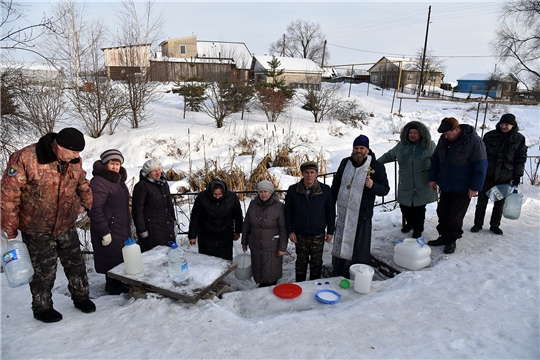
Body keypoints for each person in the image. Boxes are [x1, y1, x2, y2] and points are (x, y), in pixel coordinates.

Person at [1, 128, 95, 323]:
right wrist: (10, 228)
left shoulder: (73, 160)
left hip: (66, 223)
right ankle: (42, 307)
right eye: (74, 152)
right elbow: (8, 194)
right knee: (44, 271)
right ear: (59, 147)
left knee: (75, 264)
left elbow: (82, 183)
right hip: (36, 227)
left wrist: (86, 203)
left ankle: (81, 297)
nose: (77, 156)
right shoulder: (25, 158)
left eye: (79, 153)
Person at [331, 135, 390, 278]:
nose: (358, 151)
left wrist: (373, 186)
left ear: (367, 150)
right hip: (344, 213)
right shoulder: (345, 163)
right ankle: (338, 271)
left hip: (362, 214)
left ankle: (357, 275)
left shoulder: (376, 166)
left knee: (359, 248)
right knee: (342, 242)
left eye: (361, 148)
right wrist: (330, 203)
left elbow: (385, 189)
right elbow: (336, 185)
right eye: (356, 148)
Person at [428, 117, 487, 254]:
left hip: (463, 187)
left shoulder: (474, 142)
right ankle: (443, 236)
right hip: (446, 184)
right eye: (444, 134)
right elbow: (436, 160)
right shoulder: (444, 140)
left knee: (455, 216)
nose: (445, 136)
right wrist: (433, 178)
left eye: (448, 133)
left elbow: (481, 166)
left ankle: (451, 240)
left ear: (457, 129)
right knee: (442, 212)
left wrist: (475, 187)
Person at [377, 121, 437, 238]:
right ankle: (410, 223)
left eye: (415, 132)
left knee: (419, 207)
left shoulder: (429, 146)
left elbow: (437, 163)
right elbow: (389, 155)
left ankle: (418, 228)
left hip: (422, 183)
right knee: (405, 206)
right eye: (410, 132)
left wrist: (435, 178)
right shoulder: (401, 146)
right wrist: (374, 163)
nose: (412, 135)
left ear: (421, 134)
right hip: (406, 182)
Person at [471, 113, 527, 235]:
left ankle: (495, 225)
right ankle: (477, 223)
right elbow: (480, 155)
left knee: (499, 202)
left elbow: (520, 158)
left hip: (505, 175)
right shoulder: (490, 136)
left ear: (512, 125)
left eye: (507, 124)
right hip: (487, 174)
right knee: (482, 200)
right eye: (502, 123)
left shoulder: (519, 139)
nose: (504, 126)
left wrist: (517, 175)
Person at [88, 149, 131, 295]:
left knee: (118, 257)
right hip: (109, 228)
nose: (115, 167)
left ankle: (114, 283)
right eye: (112, 163)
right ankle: (114, 287)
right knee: (111, 257)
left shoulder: (118, 181)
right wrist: (104, 231)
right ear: (105, 164)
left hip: (120, 226)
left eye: (117, 164)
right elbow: (94, 209)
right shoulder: (99, 182)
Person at [284, 161, 335, 282]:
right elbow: (288, 212)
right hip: (300, 234)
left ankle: (314, 285)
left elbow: (330, 211)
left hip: (318, 234)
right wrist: (290, 231)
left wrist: (330, 231)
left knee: (316, 263)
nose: (309, 175)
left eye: (312, 172)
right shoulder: (293, 190)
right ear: (302, 174)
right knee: (301, 263)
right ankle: (300, 286)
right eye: (306, 172)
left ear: (316, 174)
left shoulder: (325, 190)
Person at [241, 180, 288, 287]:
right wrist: (244, 242)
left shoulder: (279, 206)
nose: (263, 194)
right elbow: (247, 224)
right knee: (258, 269)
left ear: (271, 192)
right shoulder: (253, 204)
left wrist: (282, 248)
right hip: (256, 245)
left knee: (271, 271)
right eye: (261, 191)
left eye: (266, 191)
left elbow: (283, 229)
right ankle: (262, 288)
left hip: (272, 246)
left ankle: (269, 290)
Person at [188, 179, 243, 261]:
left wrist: (238, 231)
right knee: (207, 262)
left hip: (225, 237)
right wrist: (192, 236)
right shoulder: (202, 197)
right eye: (215, 194)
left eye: (220, 194)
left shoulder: (232, 198)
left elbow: (238, 216)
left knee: (224, 262)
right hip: (206, 237)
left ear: (224, 192)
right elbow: (195, 217)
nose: (217, 197)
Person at [132, 159, 177, 252]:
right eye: (154, 171)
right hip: (152, 230)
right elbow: (137, 210)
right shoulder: (142, 186)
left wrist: (174, 222)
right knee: (155, 256)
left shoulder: (163, 183)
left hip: (167, 226)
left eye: (159, 170)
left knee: (170, 254)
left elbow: (169, 205)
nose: (158, 173)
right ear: (148, 173)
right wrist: (142, 230)